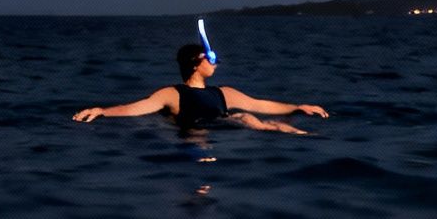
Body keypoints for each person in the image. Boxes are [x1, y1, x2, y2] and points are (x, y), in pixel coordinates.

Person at [73, 44, 328, 134]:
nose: (215, 62)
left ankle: (307, 135)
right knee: (249, 120)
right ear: (196, 64)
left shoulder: (223, 92)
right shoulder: (172, 94)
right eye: (210, 58)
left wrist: (298, 107)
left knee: (261, 120)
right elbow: (136, 108)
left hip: (226, 125)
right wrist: (103, 111)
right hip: (196, 132)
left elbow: (261, 104)